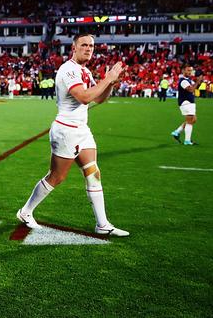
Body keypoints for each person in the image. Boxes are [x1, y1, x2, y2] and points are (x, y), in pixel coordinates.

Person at [16, 34, 129, 237]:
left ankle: (102, 224)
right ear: (74, 48)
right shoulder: (69, 69)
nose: (88, 49)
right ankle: (25, 212)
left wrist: (111, 83)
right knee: (57, 177)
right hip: (66, 130)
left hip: (82, 130)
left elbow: (100, 98)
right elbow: (84, 97)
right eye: (84, 45)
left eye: (91, 46)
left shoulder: (84, 71)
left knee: (93, 174)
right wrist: (107, 79)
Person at [171, 64, 203, 145]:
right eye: (188, 70)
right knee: (190, 121)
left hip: (189, 102)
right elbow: (191, 90)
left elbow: (195, 87)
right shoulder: (183, 81)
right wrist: (197, 82)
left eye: (191, 70)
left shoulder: (188, 80)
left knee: (193, 119)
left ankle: (177, 132)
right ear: (183, 71)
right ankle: (187, 140)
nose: (190, 72)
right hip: (186, 102)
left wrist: (199, 82)